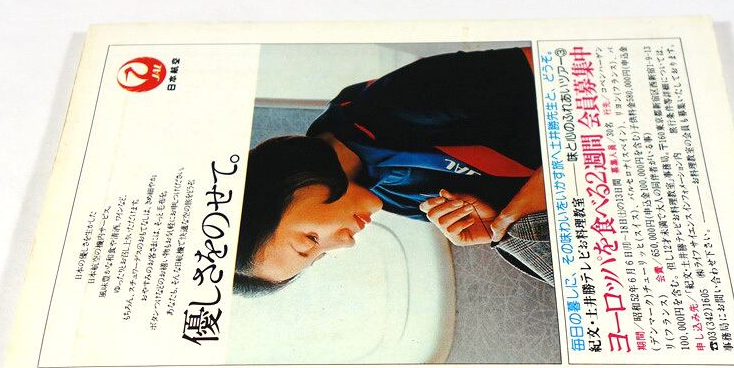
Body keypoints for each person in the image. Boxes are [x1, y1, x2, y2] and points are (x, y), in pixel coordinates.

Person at [234, 47, 554, 294]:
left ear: (282, 187)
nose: (346, 243)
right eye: (322, 254)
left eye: (311, 239)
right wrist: (496, 226)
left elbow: (561, 68)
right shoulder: (383, 195)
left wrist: (529, 206)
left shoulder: (394, 104)